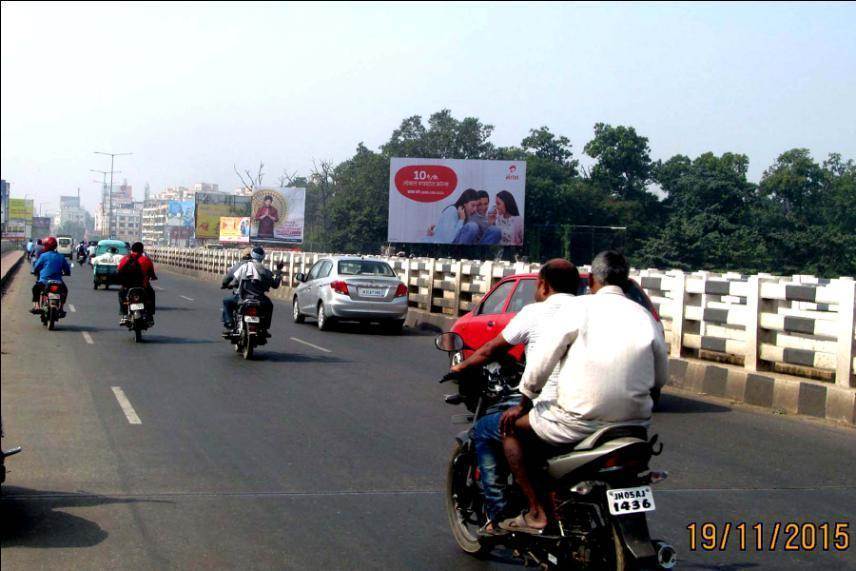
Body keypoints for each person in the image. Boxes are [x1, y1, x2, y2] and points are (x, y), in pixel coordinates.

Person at [497, 251, 669, 534]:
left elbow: (541, 362)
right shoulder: (645, 317)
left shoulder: (578, 309)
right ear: (626, 282)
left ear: (591, 281)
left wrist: (524, 399)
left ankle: (537, 513)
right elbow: (660, 377)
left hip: (577, 422)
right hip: (634, 427)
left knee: (511, 431)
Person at [449, 259, 580, 535]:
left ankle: (501, 515)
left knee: (487, 429)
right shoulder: (588, 312)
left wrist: (461, 367)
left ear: (543, 285)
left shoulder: (534, 312)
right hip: (596, 407)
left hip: (552, 407)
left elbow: (491, 350)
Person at [221, 246, 283, 334]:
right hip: (260, 299)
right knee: (269, 305)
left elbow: (234, 282)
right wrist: (278, 271)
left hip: (242, 297)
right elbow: (275, 284)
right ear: (263, 257)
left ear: (252, 255)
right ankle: (264, 327)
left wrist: (231, 285)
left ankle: (230, 322)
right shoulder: (266, 271)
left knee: (226, 301)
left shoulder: (243, 267)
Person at [117, 242, 158, 325]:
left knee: (121, 294)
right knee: (151, 295)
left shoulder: (125, 259)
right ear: (142, 250)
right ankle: (150, 315)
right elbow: (152, 274)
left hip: (127, 286)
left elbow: (119, 270)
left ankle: (124, 314)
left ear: (132, 250)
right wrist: (153, 277)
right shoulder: (146, 260)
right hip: (143, 286)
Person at [30, 237, 71, 315]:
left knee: (35, 289)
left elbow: (36, 267)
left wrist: (35, 271)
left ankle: (37, 307)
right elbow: (67, 269)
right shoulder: (61, 256)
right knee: (64, 291)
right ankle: (61, 308)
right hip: (58, 281)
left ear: (46, 246)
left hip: (44, 282)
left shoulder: (43, 256)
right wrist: (67, 273)